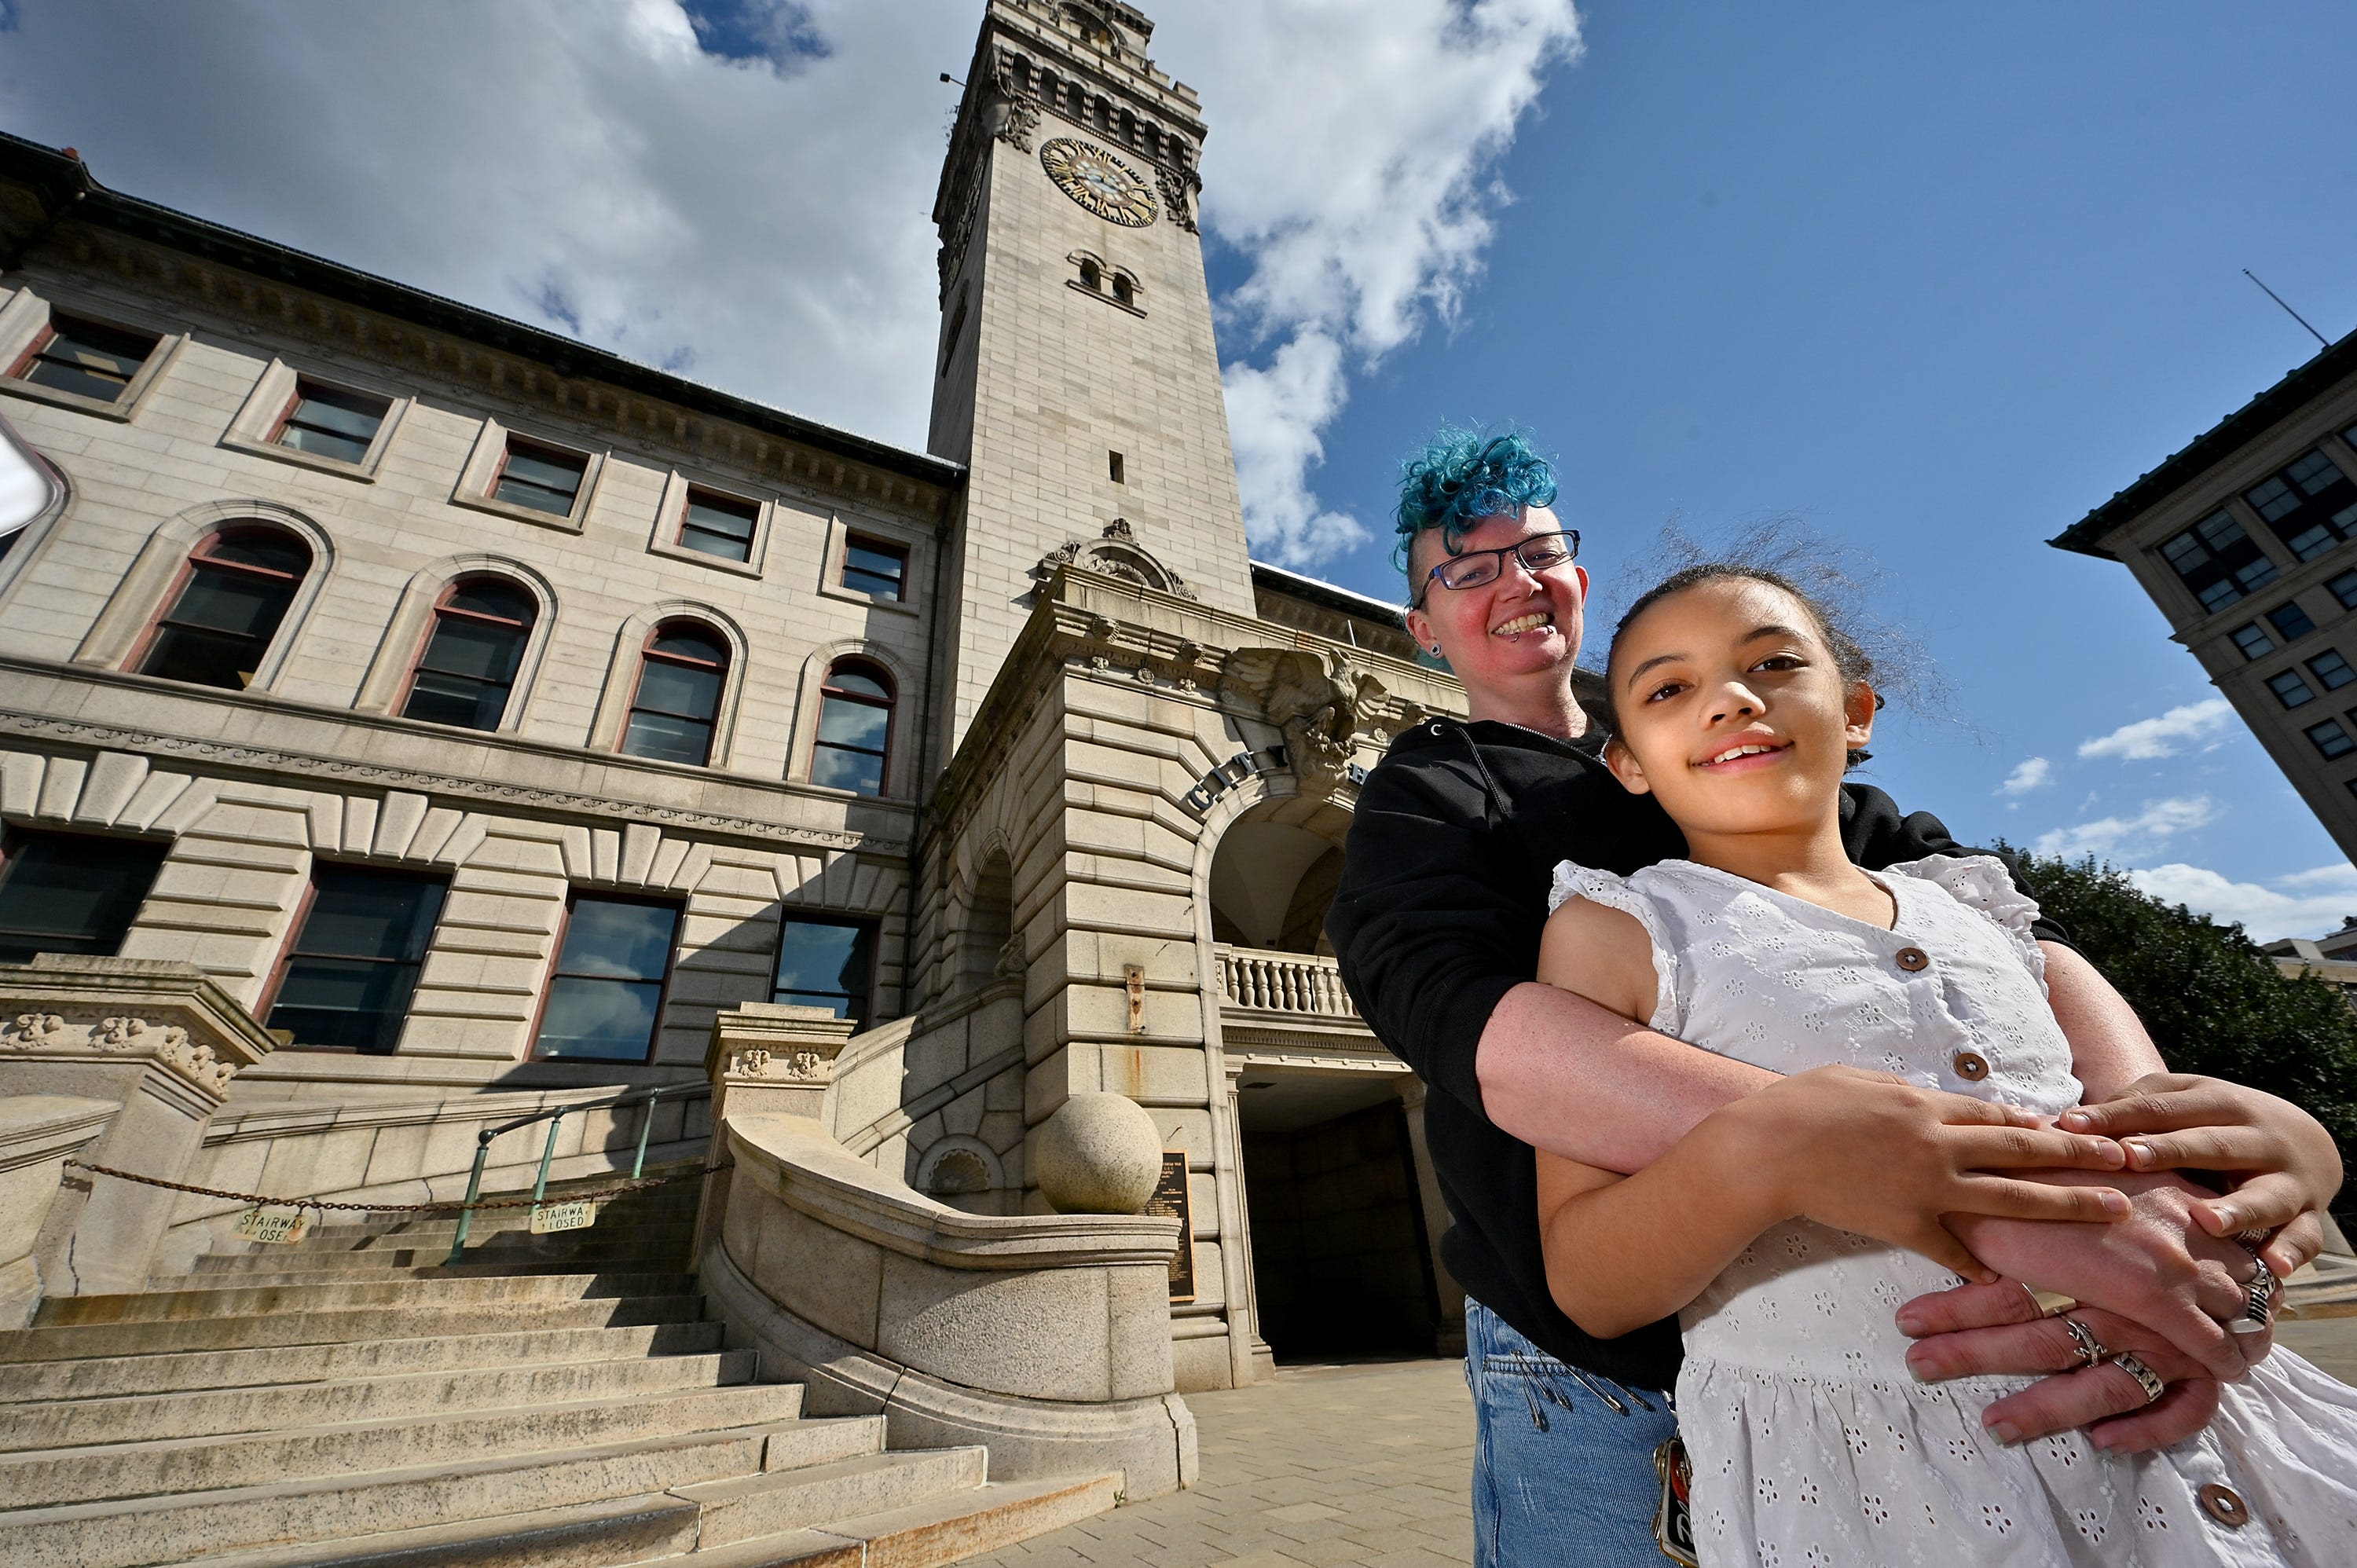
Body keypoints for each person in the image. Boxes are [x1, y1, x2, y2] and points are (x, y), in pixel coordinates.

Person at [1325, 430, 2344, 1566]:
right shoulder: (1431, 790)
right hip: (1596, 1378)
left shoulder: (1788, 766)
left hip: (1952, 1336)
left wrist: (2167, 1180)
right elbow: (1457, 1016)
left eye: (1539, 552)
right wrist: (1957, 1190)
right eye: (1468, 570)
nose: (1515, 581)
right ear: (1422, 626)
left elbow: (2026, 950)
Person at [1534, 561, 2355, 1563]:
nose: (1731, 699)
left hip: (2212, 1421)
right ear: (1628, 763)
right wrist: (1763, 1154)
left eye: (1775, 662)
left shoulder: (1993, 917)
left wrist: (2286, 1181)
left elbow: (2169, 1142)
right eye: (1670, 688)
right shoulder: (1617, 931)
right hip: (1884, 1482)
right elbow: (1587, 1279)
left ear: (1859, 710)